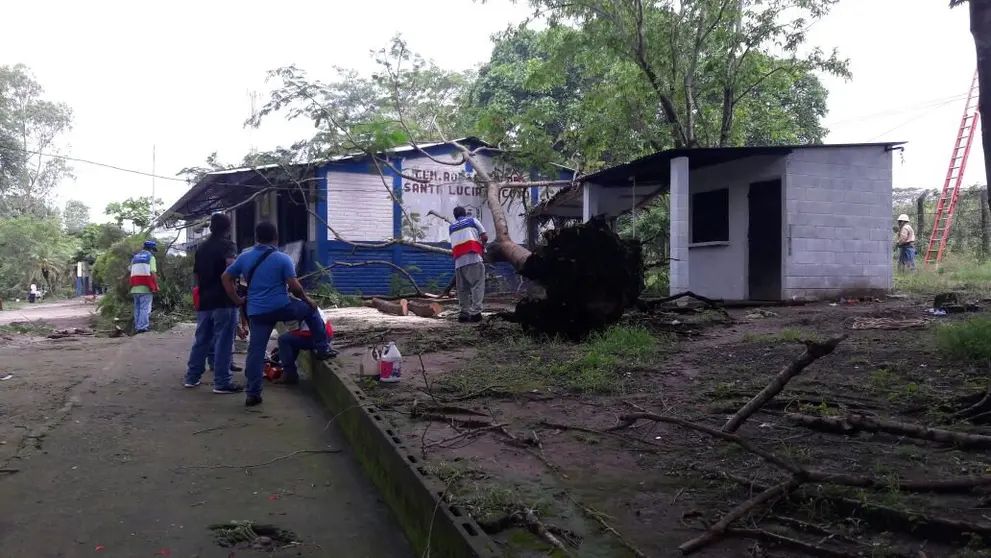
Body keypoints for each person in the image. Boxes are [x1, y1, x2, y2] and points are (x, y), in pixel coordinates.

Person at [222, 222, 333, 407]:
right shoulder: (283, 259)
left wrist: (236, 299)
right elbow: (295, 288)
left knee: (255, 351)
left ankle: (253, 394)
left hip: (257, 312)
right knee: (310, 311)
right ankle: (322, 348)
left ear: (257, 237)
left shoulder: (244, 257)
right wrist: (307, 300)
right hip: (282, 307)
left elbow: (225, 277)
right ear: (276, 237)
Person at [184, 214, 243, 393]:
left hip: (205, 299)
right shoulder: (228, 246)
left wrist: (202, 290)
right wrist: (236, 296)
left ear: (211, 228)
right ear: (228, 228)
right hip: (224, 301)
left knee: (201, 340)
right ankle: (222, 382)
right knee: (223, 342)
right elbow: (230, 269)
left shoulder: (201, 248)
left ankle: (192, 377)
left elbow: (196, 275)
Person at [276, 308, 337, 384]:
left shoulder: (297, 309)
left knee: (283, 340)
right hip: (321, 334)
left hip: (316, 336)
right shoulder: (302, 303)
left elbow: (295, 331)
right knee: (288, 340)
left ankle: (289, 374)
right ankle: (287, 369)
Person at [449, 206, 488, 322]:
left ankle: (463, 314)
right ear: (465, 213)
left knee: (462, 289)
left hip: (458, 261)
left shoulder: (451, 227)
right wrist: (482, 246)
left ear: (455, 216)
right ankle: (476, 313)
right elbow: (485, 236)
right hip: (473, 257)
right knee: (477, 285)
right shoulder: (472, 221)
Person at [129, 240, 159, 333]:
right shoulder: (151, 257)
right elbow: (153, 272)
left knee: (137, 308)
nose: (153, 252)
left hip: (135, 287)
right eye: (153, 250)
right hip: (146, 287)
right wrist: (156, 285)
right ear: (150, 249)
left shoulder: (134, 258)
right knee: (145, 308)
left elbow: (129, 270)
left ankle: (138, 326)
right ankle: (143, 327)